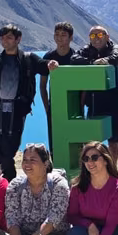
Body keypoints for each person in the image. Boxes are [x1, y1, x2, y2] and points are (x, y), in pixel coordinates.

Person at [0, 24, 50, 181]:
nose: (5, 41)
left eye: (9, 37)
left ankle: (6, 177)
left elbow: (44, 66)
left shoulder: (28, 59)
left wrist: (51, 64)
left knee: (11, 144)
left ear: (18, 39)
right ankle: (7, 178)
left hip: (17, 110)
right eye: (2, 38)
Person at [77, 26, 118, 168]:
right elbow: (74, 58)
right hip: (94, 101)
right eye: (92, 36)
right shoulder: (86, 49)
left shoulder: (114, 48)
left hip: (113, 101)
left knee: (113, 141)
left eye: (100, 35)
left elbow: (115, 58)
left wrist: (104, 60)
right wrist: (92, 63)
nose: (96, 38)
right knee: (92, 141)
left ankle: (113, 169)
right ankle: (93, 169)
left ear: (107, 37)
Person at [40, 22, 80, 155]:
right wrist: (47, 108)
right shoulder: (48, 57)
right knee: (55, 141)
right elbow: (43, 85)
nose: (59, 38)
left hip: (74, 106)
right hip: (55, 106)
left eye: (63, 35)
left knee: (75, 140)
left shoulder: (76, 57)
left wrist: (80, 104)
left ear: (71, 37)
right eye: (57, 34)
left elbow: (83, 85)